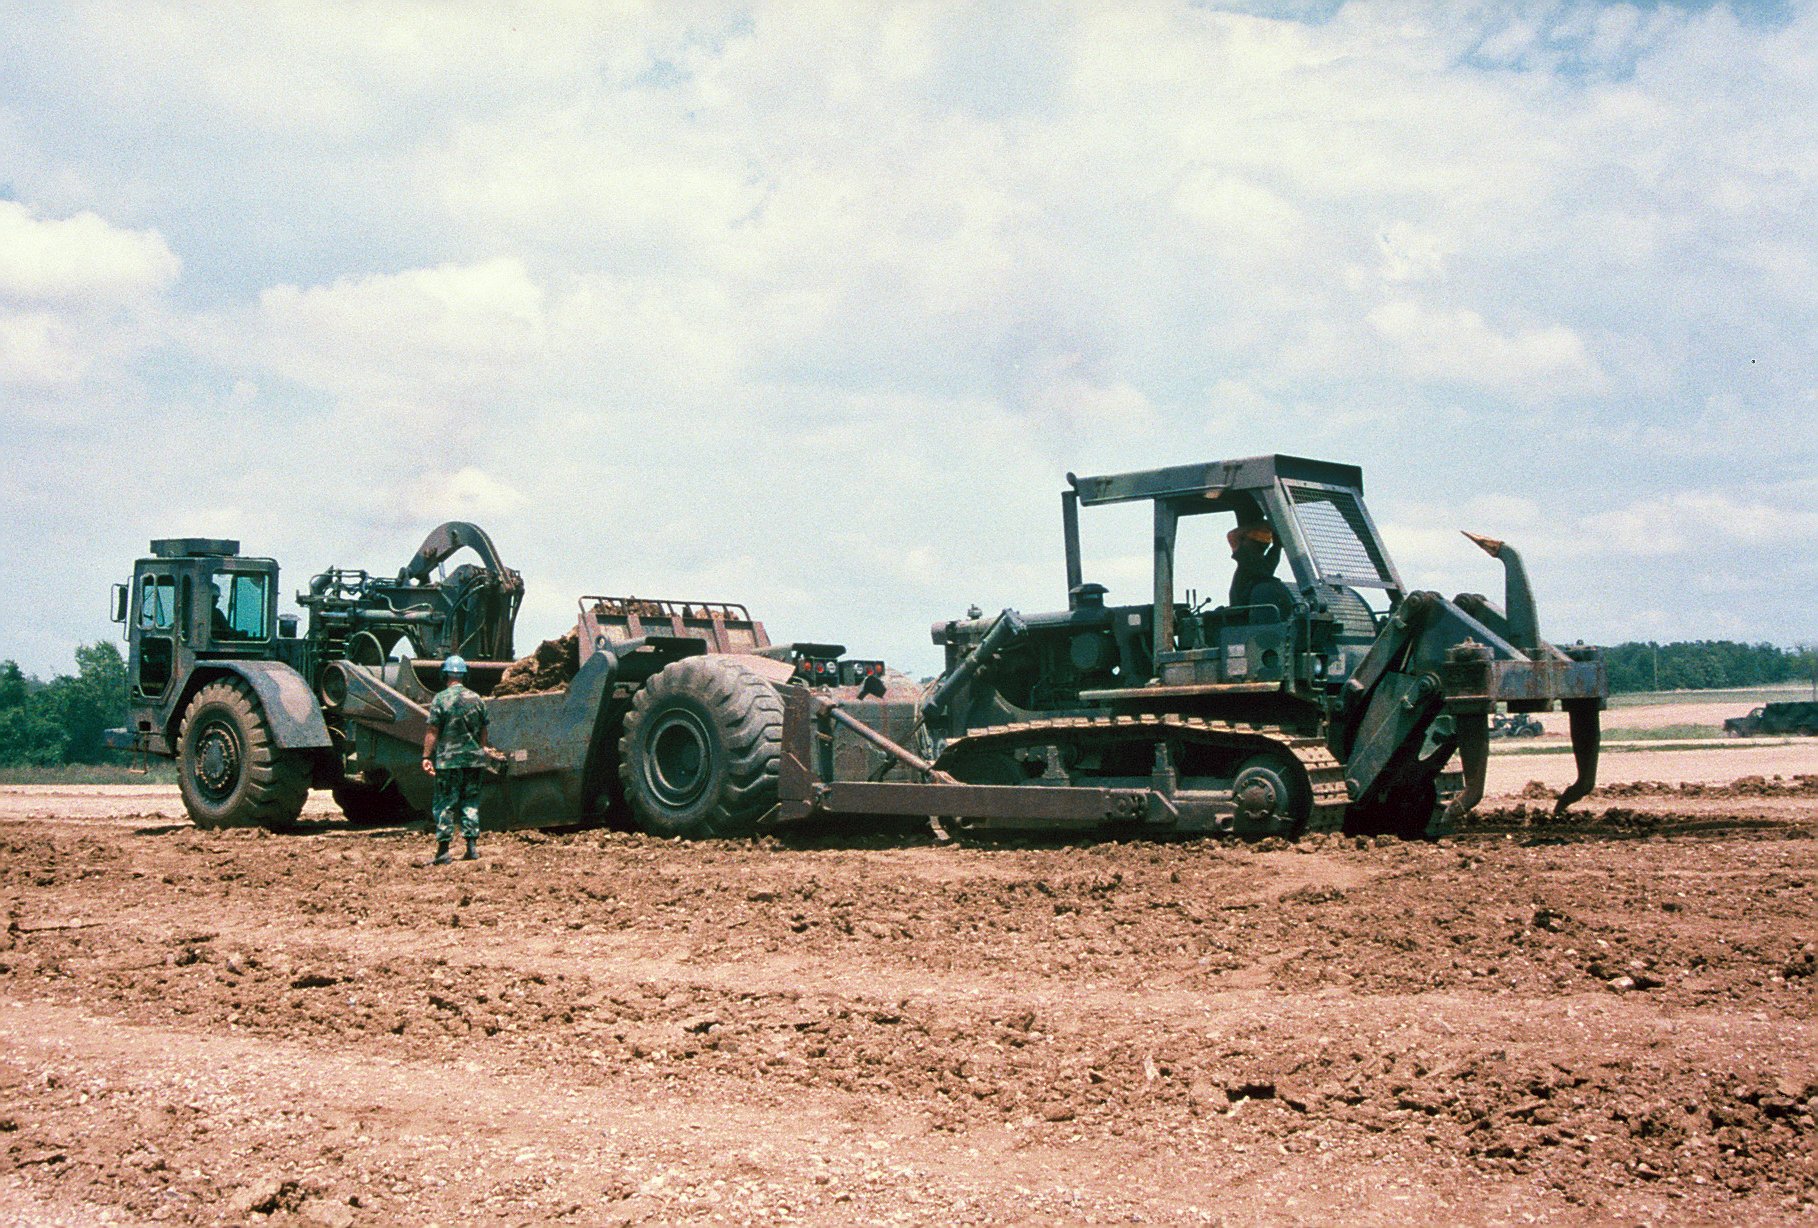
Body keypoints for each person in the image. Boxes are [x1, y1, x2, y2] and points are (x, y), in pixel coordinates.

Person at [421, 654, 494, 865]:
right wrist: (479, 750)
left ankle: (443, 851)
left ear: (444, 674)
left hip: (448, 761)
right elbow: (483, 731)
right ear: (464, 676)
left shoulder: (440, 699)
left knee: (445, 804)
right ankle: (471, 848)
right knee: (470, 802)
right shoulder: (477, 699)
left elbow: (433, 730)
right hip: (473, 760)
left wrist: (426, 756)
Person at [1226, 524, 1295, 624]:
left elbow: (1232, 535)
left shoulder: (1260, 562)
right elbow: (1232, 535)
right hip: (1242, 613)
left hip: (1245, 613)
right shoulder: (1256, 561)